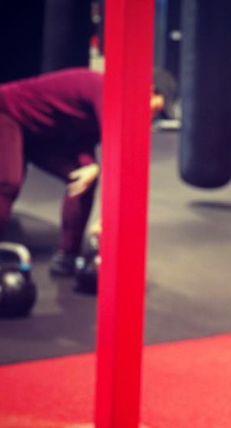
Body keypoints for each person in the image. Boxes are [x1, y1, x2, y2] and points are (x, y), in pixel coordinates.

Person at [0, 67, 165, 275]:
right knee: (7, 182)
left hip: (41, 134)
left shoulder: (116, 104)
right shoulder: (108, 90)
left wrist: (92, 167)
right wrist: (108, 219)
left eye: (155, 114)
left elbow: (85, 138)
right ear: (146, 91)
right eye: (151, 109)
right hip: (8, 113)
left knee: (83, 177)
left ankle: (66, 256)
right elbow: (117, 152)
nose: (149, 118)